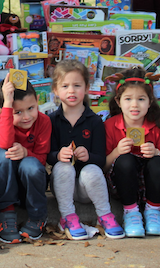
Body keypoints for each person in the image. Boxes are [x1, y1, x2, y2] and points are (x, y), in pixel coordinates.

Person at [48, 61, 124, 240]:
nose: (71, 91)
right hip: (62, 185)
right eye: (65, 86)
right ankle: (67, 217)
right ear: (56, 91)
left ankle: (105, 215)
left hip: (86, 188)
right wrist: (58, 155)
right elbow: (48, 156)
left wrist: (88, 156)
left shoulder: (95, 122)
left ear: (87, 88)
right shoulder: (51, 120)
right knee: (62, 166)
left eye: (77, 85)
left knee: (92, 169)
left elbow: (101, 160)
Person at [104, 67, 160, 238]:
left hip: (150, 184)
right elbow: (103, 164)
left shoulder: (158, 126)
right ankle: (131, 212)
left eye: (141, 99)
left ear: (150, 102)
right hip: (123, 183)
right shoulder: (110, 125)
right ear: (119, 102)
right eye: (128, 99)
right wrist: (116, 152)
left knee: (159, 161)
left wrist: (156, 152)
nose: (134, 104)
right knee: (125, 160)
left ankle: (153, 211)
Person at [0, 73, 52, 243]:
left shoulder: (44, 122)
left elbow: (41, 160)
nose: (26, 117)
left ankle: (37, 216)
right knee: (3, 153)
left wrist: (26, 153)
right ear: (4, 111)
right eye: (18, 112)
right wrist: (8, 105)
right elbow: (4, 142)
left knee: (30, 164)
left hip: (29, 188)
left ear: (38, 101)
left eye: (31, 108)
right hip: (4, 187)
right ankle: (7, 213)